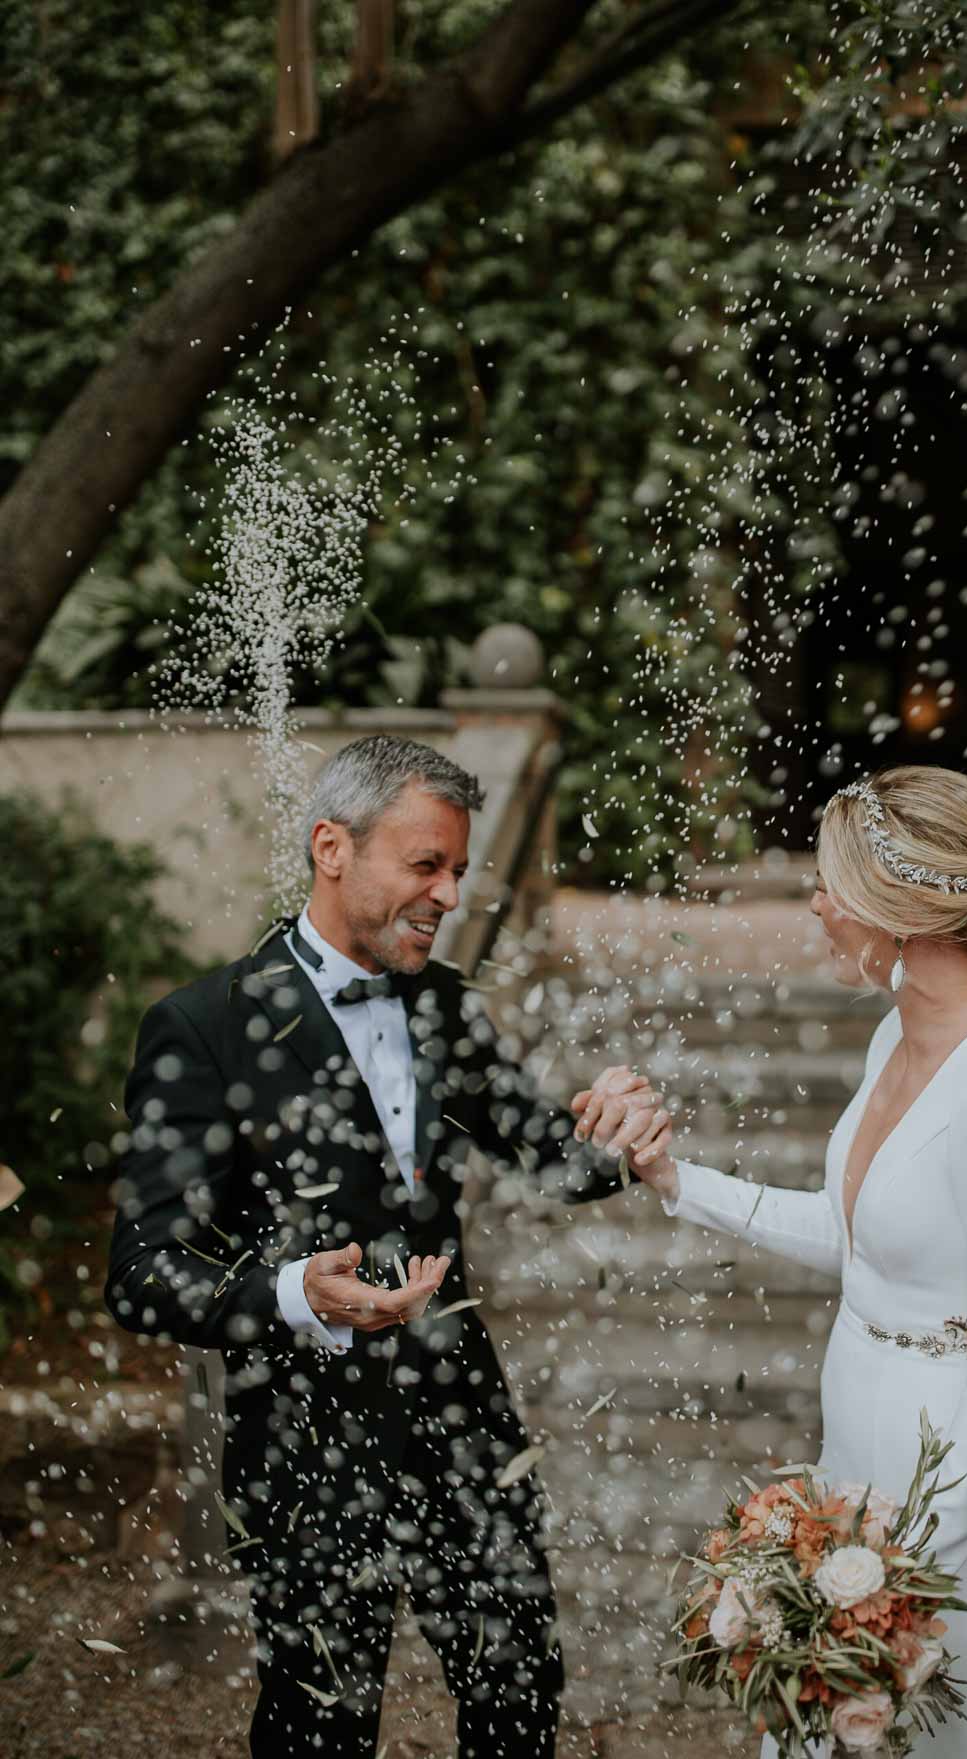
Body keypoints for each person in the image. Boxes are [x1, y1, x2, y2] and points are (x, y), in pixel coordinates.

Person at [105, 734, 672, 1759]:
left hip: (464, 1420)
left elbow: (553, 1156)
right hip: (304, 1442)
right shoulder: (201, 1027)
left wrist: (619, 1128)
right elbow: (143, 1272)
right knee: (320, 1720)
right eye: (426, 865)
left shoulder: (446, 1006)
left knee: (520, 1687)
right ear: (334, 847)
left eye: (457, 869)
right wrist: (291, 1294)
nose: (450, 893)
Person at [603, 766, 967, 1757]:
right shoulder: (897, 1032)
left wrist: (910, 1570)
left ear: (902, 912)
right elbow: (861, 1236)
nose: (815, 903)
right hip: (859, 1466)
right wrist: (677, 1181)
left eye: (832, 883)